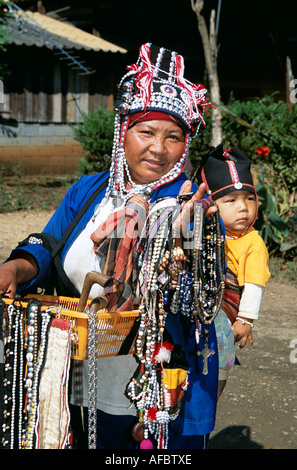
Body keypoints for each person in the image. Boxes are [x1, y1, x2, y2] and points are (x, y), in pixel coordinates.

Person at [0, 43, 221, 449]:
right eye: (146, 131)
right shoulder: (90, 190)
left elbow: (198, 299)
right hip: (81, 374)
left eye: (173, 136)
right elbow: (47, 245)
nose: (158, 147)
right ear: (124, 132)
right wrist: (16, 268)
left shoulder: (192, 208)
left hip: (155, 390)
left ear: (185, 145)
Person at [197, 144, 270, 397]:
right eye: (231, 200)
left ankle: (212, 397)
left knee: (217, 369)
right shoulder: (209, 233)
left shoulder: (253, 243)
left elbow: (254, 284)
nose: (243, 207)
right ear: (213, 205)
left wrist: (246, 319)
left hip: (226, 319)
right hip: (204, 311)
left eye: (249, 198)